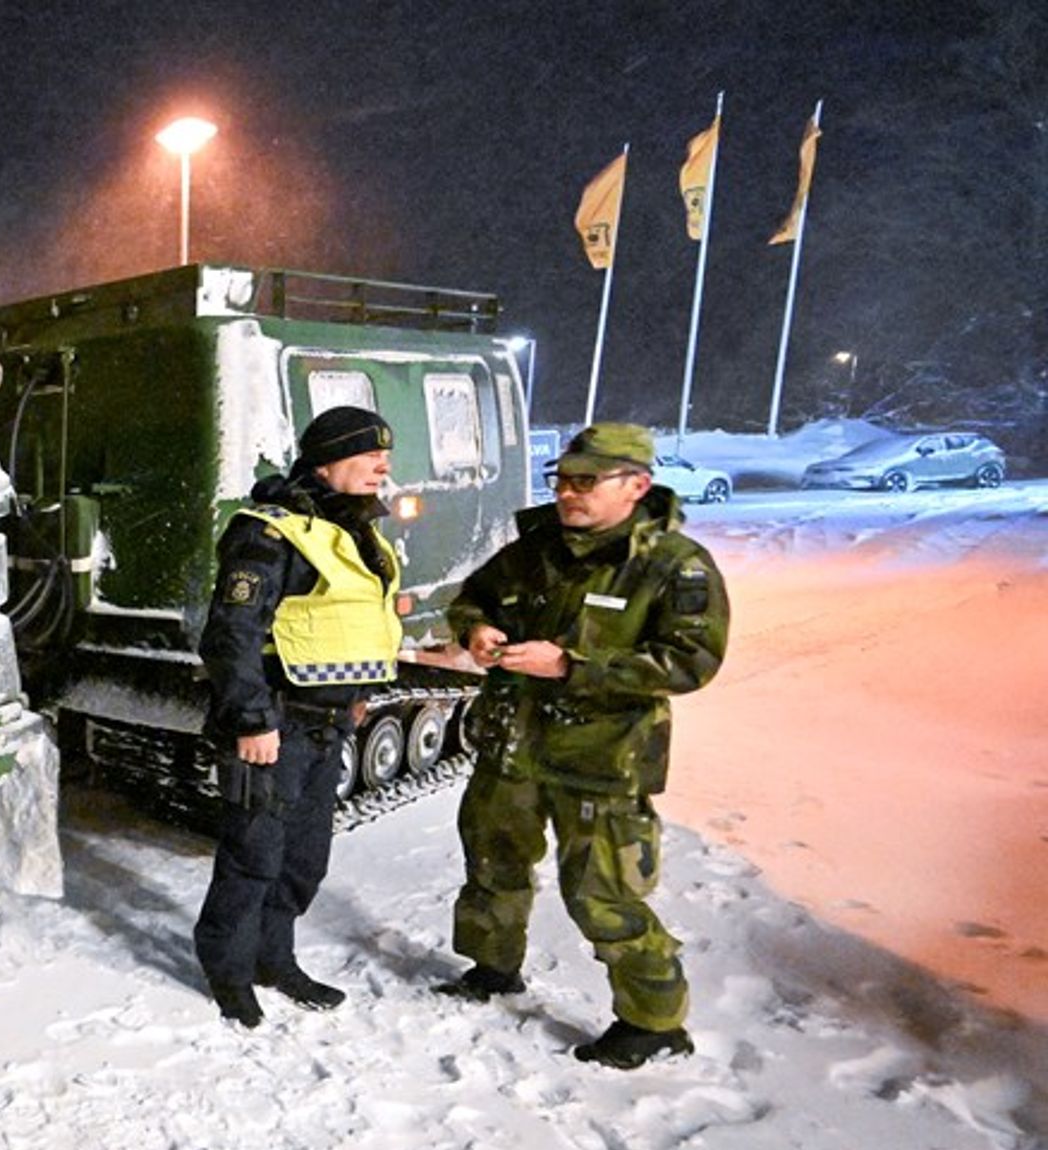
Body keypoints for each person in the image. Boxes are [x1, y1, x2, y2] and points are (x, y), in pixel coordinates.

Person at [438, 422, 731, 1069]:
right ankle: (493, 966)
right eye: (563, 479)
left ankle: (653, 1023)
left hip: (602, 759)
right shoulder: (536, 549)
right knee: (493, 862)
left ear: (637, 486)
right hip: (514, 745)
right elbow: (473, 600)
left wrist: (572, 665)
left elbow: (692, 661)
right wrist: (477, 630)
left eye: (586, 481)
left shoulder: (673, 566)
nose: (568, 492)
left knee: (603, 894)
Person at [189, 406, 403, 1027]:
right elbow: (230, 635)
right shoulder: (269, 533)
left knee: (303, 858)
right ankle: (228, 971)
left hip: (327, 725)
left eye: (384, 455)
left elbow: (350, 621)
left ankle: (273, 959)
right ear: (326, 462)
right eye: (368, 453)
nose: (382, 465)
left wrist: (358, 691)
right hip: (276, 724)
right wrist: (252, 721)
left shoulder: (356, 532)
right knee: (252, 856)